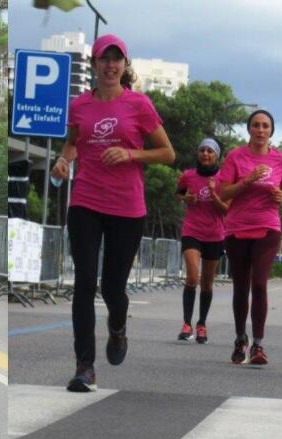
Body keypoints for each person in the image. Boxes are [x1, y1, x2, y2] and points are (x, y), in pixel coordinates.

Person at [50, 33, 175, 391]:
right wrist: (62, 160)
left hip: (127, 206)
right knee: (85, 282)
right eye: (104, 58)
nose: (110, 65)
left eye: (116, 59)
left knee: (112, 287)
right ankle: (84, 366)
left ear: (125, 65)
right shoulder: (80, 105)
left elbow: (167, 154)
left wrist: (131, 154)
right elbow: (74, 142)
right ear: (93, 64)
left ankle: (117, 328)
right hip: (86, 201)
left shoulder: (139, 105)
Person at [216, 109, 282, 365]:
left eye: (265, 126)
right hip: (237, 228)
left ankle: (258, 345)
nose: (261, 130)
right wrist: (247, 181)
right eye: (256, 125)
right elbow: (224, 193)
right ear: (249, 129)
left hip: (268, 226)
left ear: (272, 131)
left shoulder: (280, 160)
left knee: (259, 284)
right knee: (241, 285)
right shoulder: (236, 157)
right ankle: (240, 337)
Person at [175, 138, 228, 344]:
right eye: (202, 150)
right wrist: (185, 199)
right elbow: (179, 193)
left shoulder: (224, 178)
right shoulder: (188, 175)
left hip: (215, 235)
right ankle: (187, 324)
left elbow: (226, 209)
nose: (205, 154)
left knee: (207, 283)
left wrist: (214, 194)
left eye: (210, 151)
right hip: (192, 231)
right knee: (192, 277)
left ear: (216, 156)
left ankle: (202, 324)